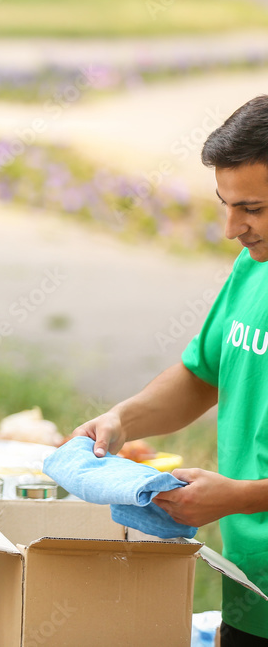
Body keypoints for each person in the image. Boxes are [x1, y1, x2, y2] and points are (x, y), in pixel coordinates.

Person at [73, 95, 268, 646]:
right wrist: (122, 420)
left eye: (252, 209)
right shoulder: (253, 270)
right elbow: (203, 375)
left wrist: (240, 496)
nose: (232, 228)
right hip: (251, 592)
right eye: (225, 204)